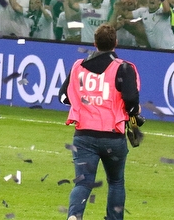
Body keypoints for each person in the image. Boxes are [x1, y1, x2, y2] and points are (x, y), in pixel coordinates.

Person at [59, 24, 142, 220]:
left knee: (83, 183)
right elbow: (131, 101)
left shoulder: (78, 66)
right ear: (116, 43)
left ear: (95, 43)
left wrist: (85, 101)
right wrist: (134, 115)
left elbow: (63, 97)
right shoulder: (123, 67)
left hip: (84, 135)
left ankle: (74, 216)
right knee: (115, 182)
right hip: (112, 135)